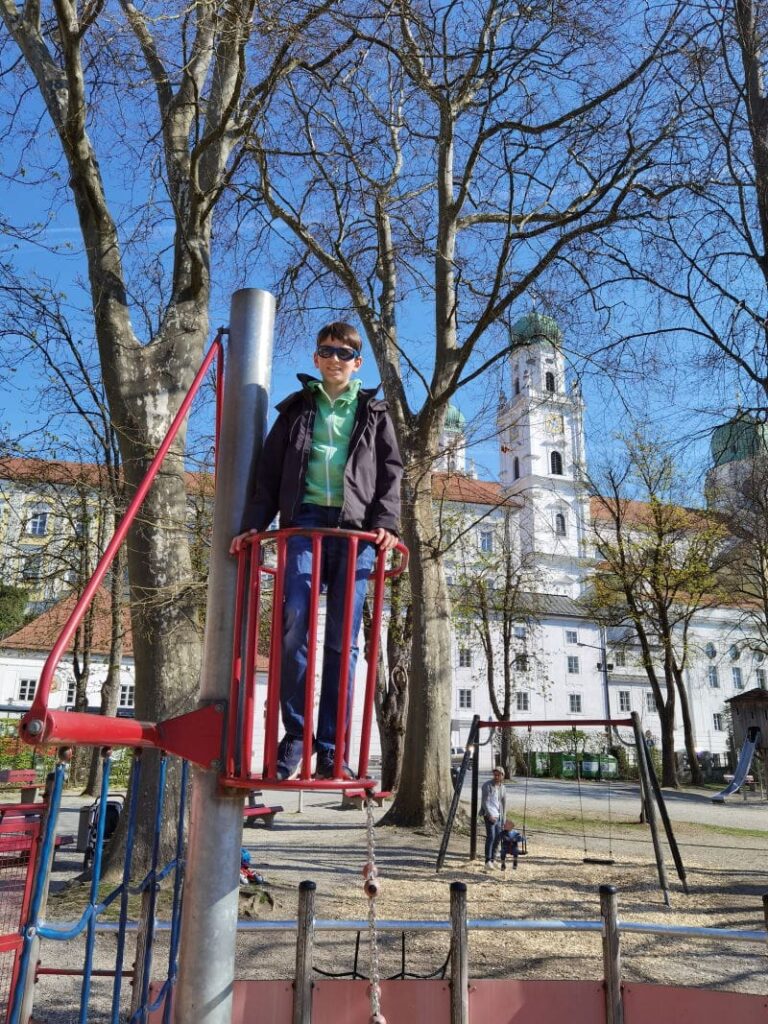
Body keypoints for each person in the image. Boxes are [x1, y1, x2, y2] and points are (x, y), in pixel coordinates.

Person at [231, 322, 403, 781]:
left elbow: (391, 472)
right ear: (315, 358)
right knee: (295, 623)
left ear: (357, 363)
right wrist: (253, 525)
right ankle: (296, 736)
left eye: (343, 353)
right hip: (303, 523)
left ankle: (330, 747)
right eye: (326, 350)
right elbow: (268, 475)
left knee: (343, 642)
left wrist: (385, 524)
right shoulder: (295, 411)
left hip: (356, 531)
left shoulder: (375, 412)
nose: (334, 359)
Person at [480, 766, 507, 868]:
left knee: (497, 838)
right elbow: (484, 802)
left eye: (498, 775)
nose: (496, 777)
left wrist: (503, 819)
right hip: (489, 815)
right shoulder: (487, 785)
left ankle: (493, 858)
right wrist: (489, 815)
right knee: (491, 837)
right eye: (495, 775)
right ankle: (487, 861)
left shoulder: (503, 788)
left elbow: (504, 804)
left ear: (502, 776)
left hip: (498, 815)